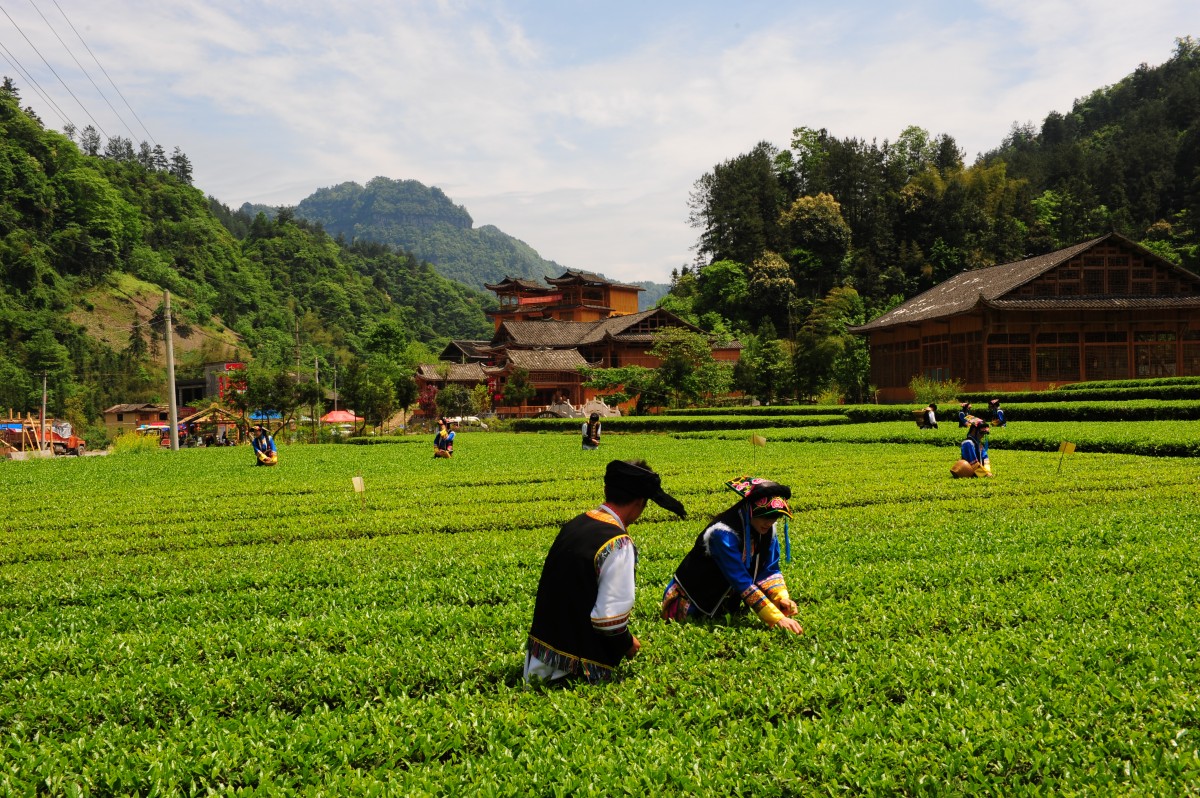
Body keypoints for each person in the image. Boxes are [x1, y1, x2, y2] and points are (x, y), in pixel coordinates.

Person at [525, 459, 687, 685]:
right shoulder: (617, 542)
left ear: (606, 489)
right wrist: (629, 645)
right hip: (572, 671)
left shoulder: (576, 523)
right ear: (641, 503)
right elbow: (608, 622)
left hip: (539, 659)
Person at [661, 476, 803, 635]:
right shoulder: (722, 535)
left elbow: (769, 570)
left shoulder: (768, 532)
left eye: (775, 517)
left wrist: (781, 598)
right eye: (764, 515)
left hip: (727, 603)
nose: (769, 523)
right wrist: (776, 618)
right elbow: (740, 579)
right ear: (750, 510)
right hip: (692, 603)